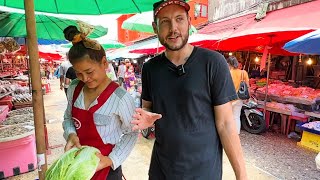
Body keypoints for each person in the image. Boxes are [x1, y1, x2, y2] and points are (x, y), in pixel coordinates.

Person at [130, 0, 248, 179]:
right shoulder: (150, 68)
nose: (173, 28)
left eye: (179, 19)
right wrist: (146, 115)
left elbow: (225, 124)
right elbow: (147, 107)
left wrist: (242, 175)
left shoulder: (213, 63)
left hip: (203, 172)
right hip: (162, 170)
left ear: (189, 22)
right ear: (155, 27)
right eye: (165, 22)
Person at [62, 25, 138, 180]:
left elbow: (132, 132)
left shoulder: (121, 98)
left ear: (104, 63)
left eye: (89, 72)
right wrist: (70, 134)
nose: (84, 78)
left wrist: (111, 160)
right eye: (78, 73)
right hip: (78, 165)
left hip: (107, 169)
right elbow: (68, 118)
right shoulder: (74, 88)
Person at [227, 56, 250, 134]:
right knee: (236, 116)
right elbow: (247, 86)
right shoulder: (244, 73)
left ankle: (229, 133)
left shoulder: (228, 73)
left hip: (229, 98)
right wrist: (248, 96)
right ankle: (236, 133)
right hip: (240, 98)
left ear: (229, 64)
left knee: (228, 116)